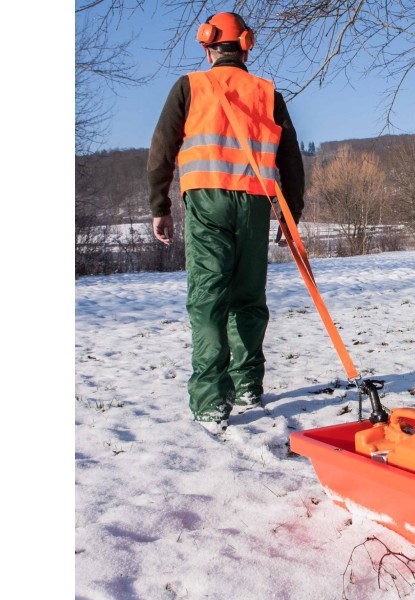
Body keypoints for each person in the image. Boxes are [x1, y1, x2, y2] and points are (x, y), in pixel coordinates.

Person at [147, 11, 305, 434]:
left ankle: (211, 400)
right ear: (247, 44)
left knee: (208, 298)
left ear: (208, 44)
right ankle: (248, 384)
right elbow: (290, 159)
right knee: (248, 297)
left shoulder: (190, 86)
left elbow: (162, 148)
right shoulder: (267, 91)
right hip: (255, 203)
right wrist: (292, 215)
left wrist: (159, 205)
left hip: (205, 200)